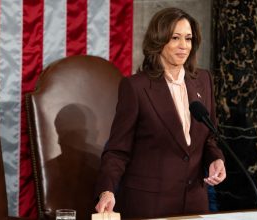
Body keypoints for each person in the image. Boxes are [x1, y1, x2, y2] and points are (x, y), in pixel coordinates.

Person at [94, 7, 226, 219]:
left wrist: (215, 159)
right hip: (150, 206)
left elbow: (209, 138)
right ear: (159, 40)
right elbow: (117, 150)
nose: (184, 46)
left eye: (188, 38)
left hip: (195, 202)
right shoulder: (136, 87)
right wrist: (107, 190)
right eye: (175, 38)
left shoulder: (203, 80)